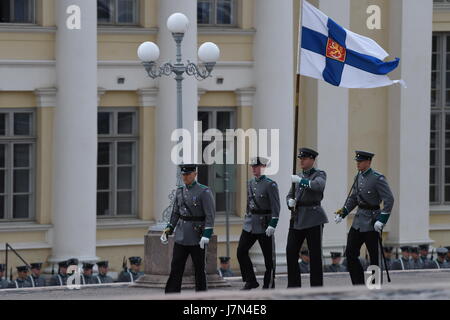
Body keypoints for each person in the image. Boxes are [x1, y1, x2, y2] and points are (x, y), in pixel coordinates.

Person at [335, 150, 394, 285]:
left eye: (360, 161)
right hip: (358, 221)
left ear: (368, 162)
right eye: (357, 161)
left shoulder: (378, 178)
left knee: (374, 257)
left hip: (373, 220)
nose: (358, 164)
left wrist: (382, 220)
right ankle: (358, 284)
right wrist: (343, 213)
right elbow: (354, 198)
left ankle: (374, 286)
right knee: (350, 253)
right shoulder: (358, 177)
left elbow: (389, 199)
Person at [162, 164, 216, 293]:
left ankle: (201, 295)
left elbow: (210, 215)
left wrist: (206, 235)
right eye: (183, 174)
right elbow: (175, 213)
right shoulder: (180, 191)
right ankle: (171, 294)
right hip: (181, 235)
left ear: (195, 174)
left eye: (188, 174)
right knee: (176, 267)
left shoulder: (204, 191)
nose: (185, 177)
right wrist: (168, 230)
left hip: (197, 236)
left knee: (199, 269)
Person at [286, 147, 328, 288]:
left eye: (304, 159)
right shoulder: (298, 176)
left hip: (313, 217)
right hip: (297, 217)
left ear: (312, 160)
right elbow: (290, 194)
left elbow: (318, 186)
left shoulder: (319, 174)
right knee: (290, 251)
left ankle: (316, 286)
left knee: (315, 254)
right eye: (300, 159)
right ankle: (293, 285)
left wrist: (301, 181)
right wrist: (290, 202)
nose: (301, 161)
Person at [237, 156, 280, 290]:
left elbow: (276, 207)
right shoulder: (250, 183)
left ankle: (268, 284)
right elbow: (249, 203)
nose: (254, 169)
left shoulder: (270, 184)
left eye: (257, 167)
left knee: (269, 258)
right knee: (241, 251)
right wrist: (246, 217)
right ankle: (250, 280)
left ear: (263, 167)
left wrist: (273, 224)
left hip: (264, 224)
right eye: (253, 167)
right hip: (250, 223)